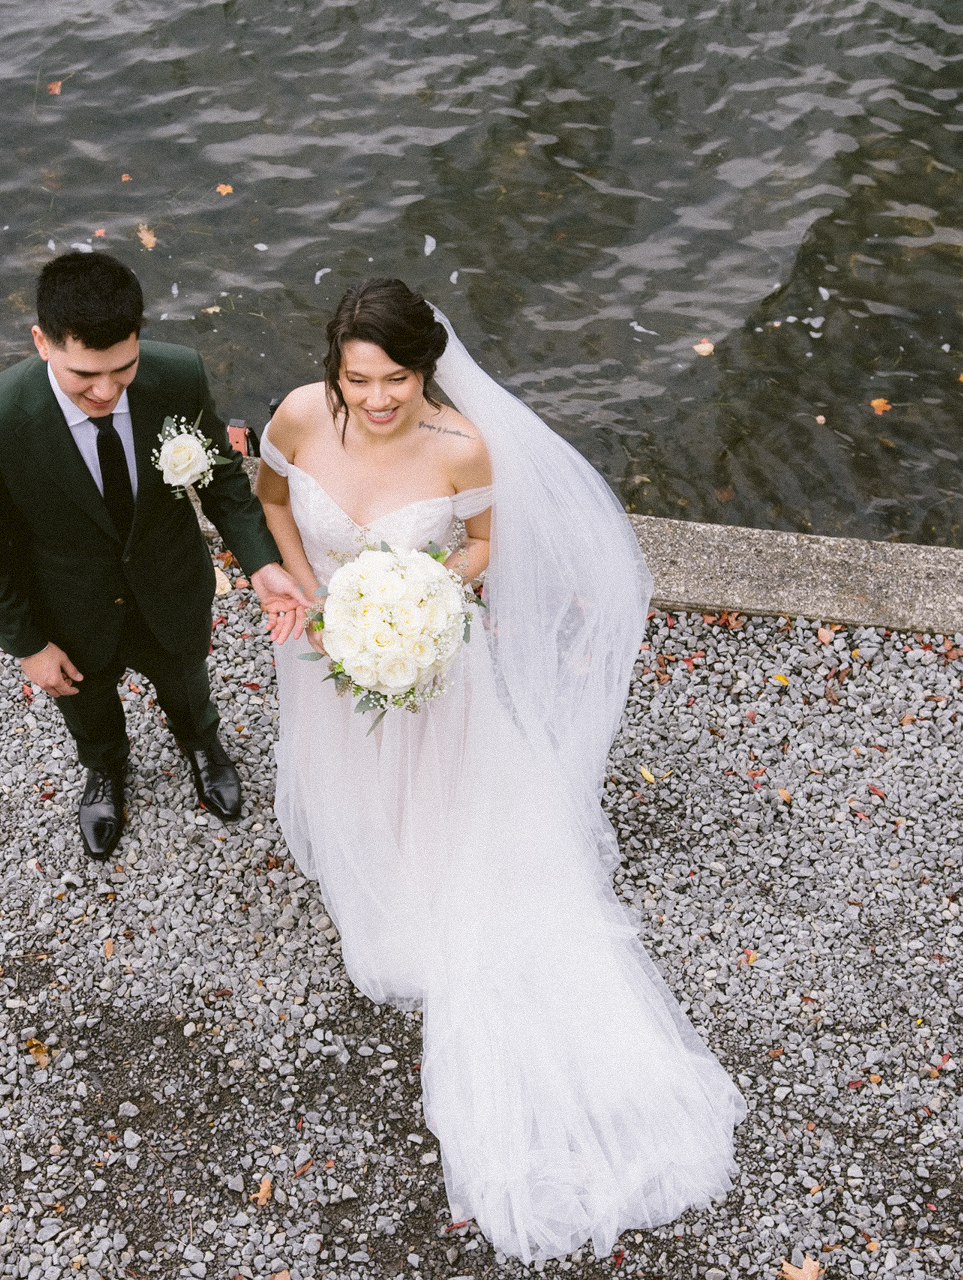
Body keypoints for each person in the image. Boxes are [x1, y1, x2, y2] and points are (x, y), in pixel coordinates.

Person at [256, 278, 746, 1261]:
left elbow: (482, 545)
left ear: (425, 370)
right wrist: (307, 589)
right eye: (361, 377)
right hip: (323, 647)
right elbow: (271, 502)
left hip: (431, 658)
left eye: (396, 378)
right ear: (333, 369)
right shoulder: (302, 417)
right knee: (344, 761)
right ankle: (373, 842)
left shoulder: (459, 445)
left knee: (447, 805)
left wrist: (422, 587)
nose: (379, 398)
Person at [0, 252, 307, 859]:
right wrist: (31, 646)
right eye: (84, 374)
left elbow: (221, 482)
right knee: (87, 704)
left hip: (171, 584)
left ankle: (200, 744)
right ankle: (106, 767)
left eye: (124, 367)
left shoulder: (177, 376)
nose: (107, 391)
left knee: (187, 681)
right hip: (71, 610)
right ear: (42, 341)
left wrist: (264, 567)